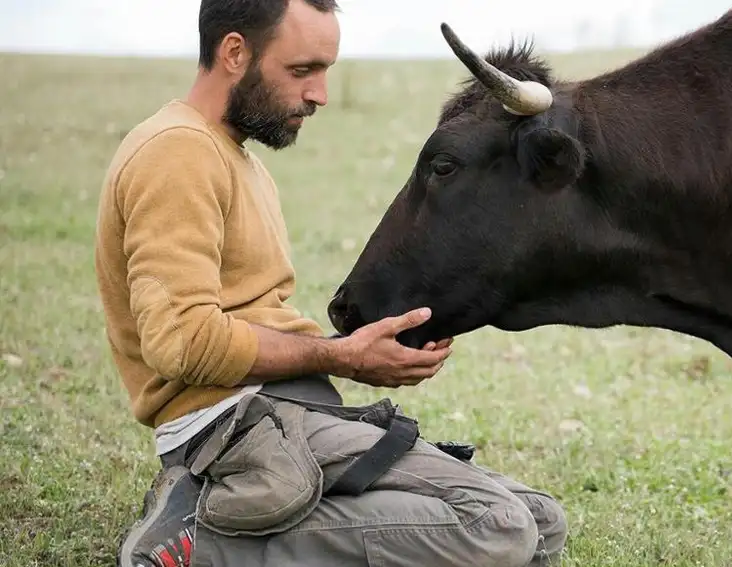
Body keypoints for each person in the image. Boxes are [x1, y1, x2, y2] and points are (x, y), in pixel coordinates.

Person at [94, 1, 569, 566]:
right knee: (498, 528)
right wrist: (343, 357)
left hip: (288, 412)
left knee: (540, 522)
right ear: (234, 52)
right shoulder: (176, 152)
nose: (319, 94)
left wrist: (353, 357)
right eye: (301, 71)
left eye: (325, 72)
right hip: (233, 423)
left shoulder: (234, 158)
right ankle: (200, 542)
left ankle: (222, 510)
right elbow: (180, 341)